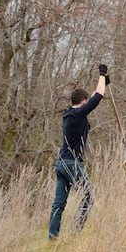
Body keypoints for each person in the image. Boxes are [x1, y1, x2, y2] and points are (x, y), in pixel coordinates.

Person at [48, 64, 109, 239]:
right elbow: (97, 97)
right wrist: (102, 75)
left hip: (61, 164)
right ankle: (76, 231)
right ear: (82, 102)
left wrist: (104, 82)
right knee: (88, 197)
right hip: (72, 163)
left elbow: (93, 96)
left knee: (59, 203)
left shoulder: (70, 114)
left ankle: (53, 237)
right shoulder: (77, 114)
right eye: (86, 101)